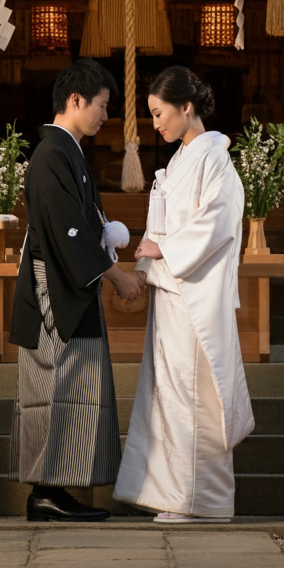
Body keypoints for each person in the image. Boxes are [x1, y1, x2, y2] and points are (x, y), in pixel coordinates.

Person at [113, 66, 254, 522]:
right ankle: (178, 496)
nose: (156, 124)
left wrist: (165, 248)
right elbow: (161, 224)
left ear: (186, 107)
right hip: (172, 291)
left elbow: (217, 222)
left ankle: (202, 501)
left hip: (194, 297)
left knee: (196, 397)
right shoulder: (180, 160)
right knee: (171, 397)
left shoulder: (214, 158)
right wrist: (144, 263)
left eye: (159, 114)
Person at [9, 59, 144, 522]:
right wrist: (117, 275)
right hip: (56, 291)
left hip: (71, 286)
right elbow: (69, 230)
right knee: (56, 384)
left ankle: (57, 488)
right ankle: (45, 491)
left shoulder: (68, 152)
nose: (106, 115)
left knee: (72, 387)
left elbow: (87, 226)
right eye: (102, 105)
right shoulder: (52, 155)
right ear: (75, 100)